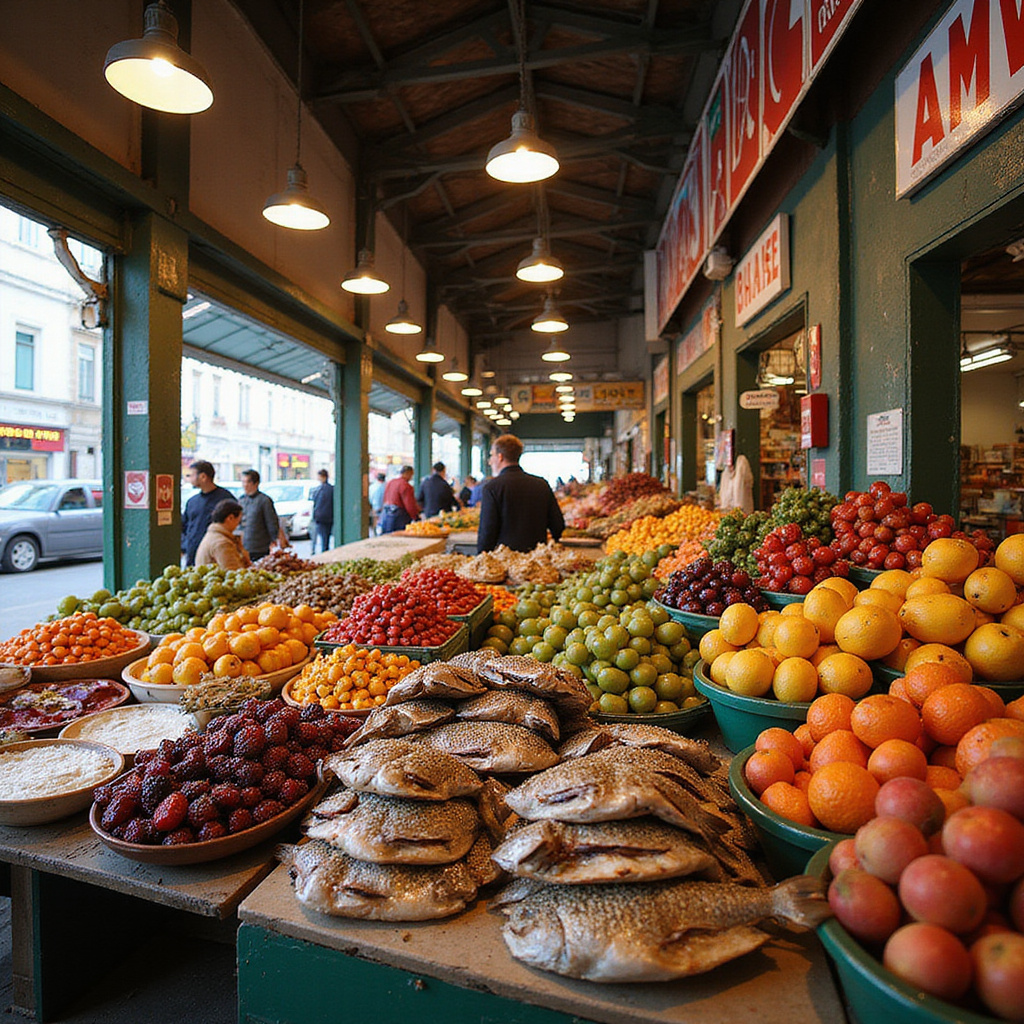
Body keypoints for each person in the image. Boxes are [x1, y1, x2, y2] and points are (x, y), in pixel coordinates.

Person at [477, 434, 565, 553]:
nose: (489, 461)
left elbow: (487, 531)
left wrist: (481, 558)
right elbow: (558, 525)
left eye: (491, 455)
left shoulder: (492, 488)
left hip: (505, 561)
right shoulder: (541, 484)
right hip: (537, 559)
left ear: (500, 457)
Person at [181, 460, 236, 566]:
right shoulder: (192, 501)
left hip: (215, 555)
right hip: (192, 554)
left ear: (202, 477)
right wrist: (184, 546)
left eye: (191, 475)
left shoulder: (225, 499)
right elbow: (185, 525)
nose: (189, 479)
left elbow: (235, 524)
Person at [238, 469, 288, 562]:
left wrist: (274, 540)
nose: (245, 485)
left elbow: (272, 522)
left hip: (259, 546)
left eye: (247, 482)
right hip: (243, 546)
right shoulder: (241, 500)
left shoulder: (264, 500)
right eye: (243, 482)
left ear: (256, 483)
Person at [194, 500, 251, 569]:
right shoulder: (222, 543)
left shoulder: (212, 535)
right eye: (239, 520)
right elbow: (233, 573)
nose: (238, 524)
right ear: (230, 518)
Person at [379, 465, 419, 533]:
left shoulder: (391, 482)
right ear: (408, 473)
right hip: (399, 517)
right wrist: (415, 517)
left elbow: (385, 497)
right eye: (411, 475)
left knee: (386, 536)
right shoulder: (406, 486)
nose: (411, 477)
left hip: (386, 513)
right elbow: (409, 504)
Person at [311, 469, 334, 554]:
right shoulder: (331, 489)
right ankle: (324, 551)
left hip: (322, 517)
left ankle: (323, 552)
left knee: (322, 537)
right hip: (327, 517)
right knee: (325, 538)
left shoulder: (320, 490)